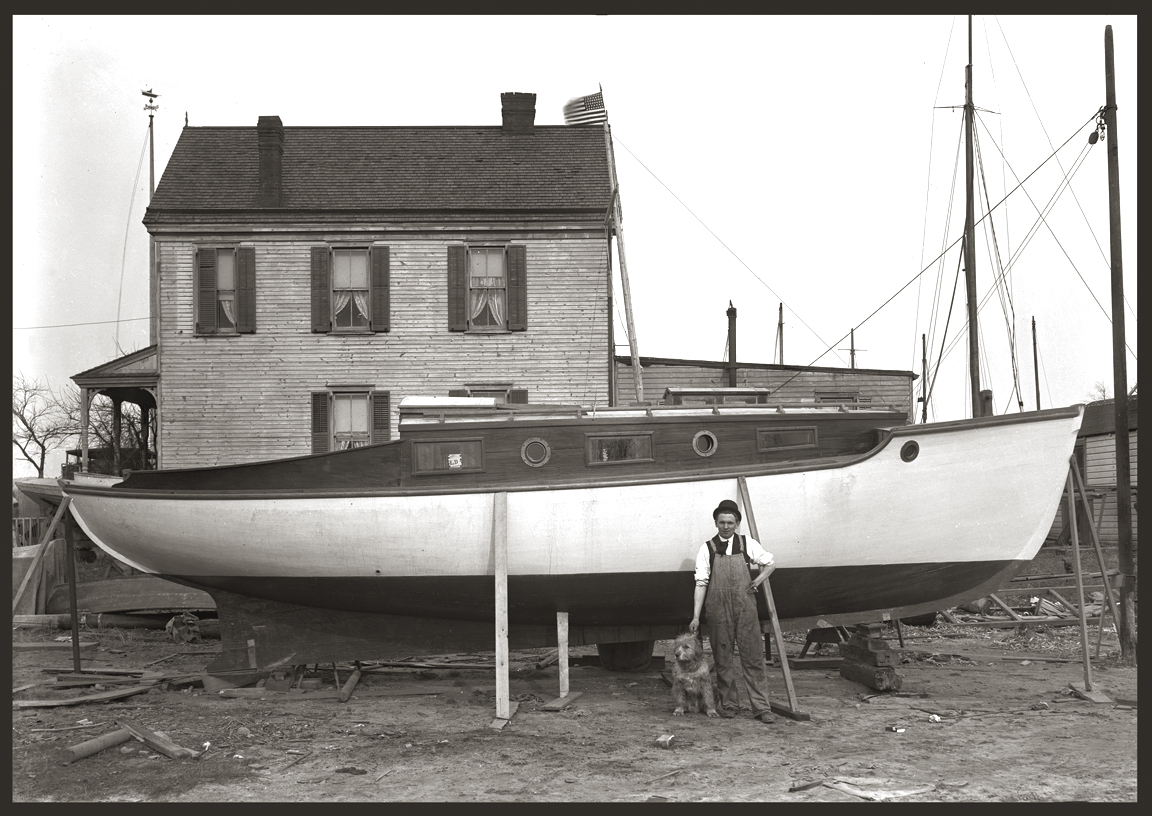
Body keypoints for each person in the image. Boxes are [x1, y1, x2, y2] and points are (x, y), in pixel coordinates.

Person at [688, 498, 776, 723]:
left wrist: (757, 582)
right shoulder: (707, 548)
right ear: (716, 523)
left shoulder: (748, 544)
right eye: (721, 522)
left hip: (745, 609)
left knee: (753, 658)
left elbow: (770, 563)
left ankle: (761, 708)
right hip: (718, 611)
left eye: (730, 522)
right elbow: (701, 582)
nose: (726, 526)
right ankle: (729, 705)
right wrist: (696, 617)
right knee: (723, 659)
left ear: (737, 523)